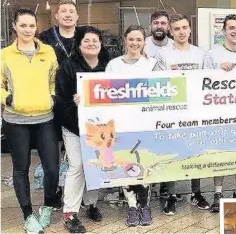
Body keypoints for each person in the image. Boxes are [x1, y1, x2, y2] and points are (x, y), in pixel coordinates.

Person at [1, 9, 60, 234]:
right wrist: (7, 98)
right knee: (20, 169)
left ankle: (47, 206)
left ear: (36, 27)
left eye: (31, 26)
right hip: (16, 120)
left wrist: (52, 98)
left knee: (52, 169)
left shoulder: (48, 51)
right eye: (23, 25)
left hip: (45, 118)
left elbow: (54, 79)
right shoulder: (5, 54)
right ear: (14, 27)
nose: (27, 30)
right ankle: (27, 214)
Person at [105, 25, 164, 226]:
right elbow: (103, 93)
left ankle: (145, 206)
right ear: (125, 40)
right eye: (131, 39)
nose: (135, 43)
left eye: (139, 39)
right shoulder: (113, 65)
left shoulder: (153, 63)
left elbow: (165, 90)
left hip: (146, 124)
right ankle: (131, 206)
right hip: (122, 125)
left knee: (145, 164)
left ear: (144, 42)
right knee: (126, 166)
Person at [55, 26, 111, 233]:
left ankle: (91, 204)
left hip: (100, 127)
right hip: (74, 126)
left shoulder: (109, 65)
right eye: (87, 41)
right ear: (79, 45)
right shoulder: (68, 67)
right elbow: (60, 100)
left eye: (95, 40)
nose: (91, 44)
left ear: (101, 43)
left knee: (96, 165)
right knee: (77, 166)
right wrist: (74, 102)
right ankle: (70, 212)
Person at [154, 14, 210, 215]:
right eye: (177, 29)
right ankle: (170, 195)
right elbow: (157, 84)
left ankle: (196, 192)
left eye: (185, 27)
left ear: (190, 30)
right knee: (173, 153)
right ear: (170, 31)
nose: (181, 32)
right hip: (173, 113)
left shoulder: (200, 54)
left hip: (195, 112)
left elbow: (209, 82)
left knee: (195, 153)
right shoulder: (163, 55)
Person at [204, 14, 236, 212]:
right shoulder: (212, 55)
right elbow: (203, 83)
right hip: (220, 113)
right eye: (231, 28)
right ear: (224, 31)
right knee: (221, 154)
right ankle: (218, 193)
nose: (235, 31)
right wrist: (218, 72)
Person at [39, 0, 82, 208]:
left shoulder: (84, 36)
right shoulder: (44, 39)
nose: (67, 14)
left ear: (77, 16)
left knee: (78, 156)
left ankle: (81, 196)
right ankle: (53, 194)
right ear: (56, 16)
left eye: (71, 11)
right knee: (52, 155)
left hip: (79, 102)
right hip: (53, 102)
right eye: (62, 11)